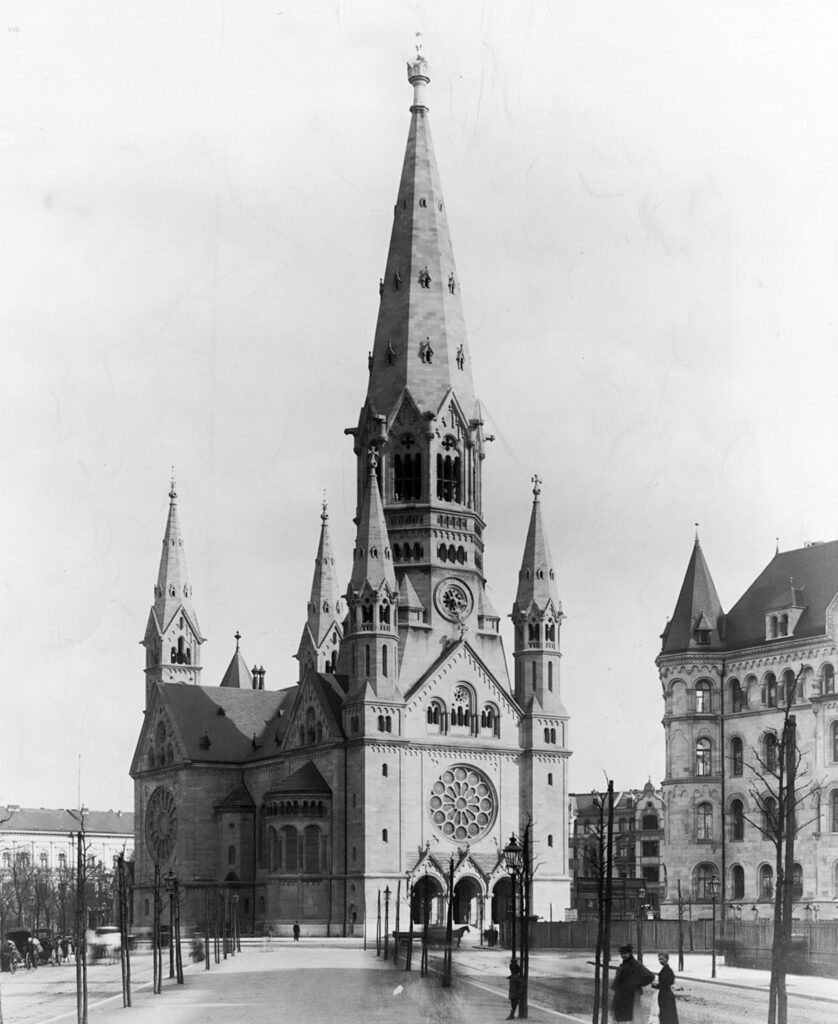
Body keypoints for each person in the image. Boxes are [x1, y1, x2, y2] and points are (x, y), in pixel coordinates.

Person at [611, 943, 654, 1021]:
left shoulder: (635, 964)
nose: (623, 955)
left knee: (633, 1017)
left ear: (630, 953)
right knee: (623, 1017)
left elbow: (650, 976)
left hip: (631, 995)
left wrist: (636, 984)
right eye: (622, 953)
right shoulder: (624, 964)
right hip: (622, 996)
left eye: (625, 953)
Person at [652, 953, 679, 1024]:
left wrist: (656, 985)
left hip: (665, 995)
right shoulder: (666, 969)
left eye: (662, 959)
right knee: (667, 1014)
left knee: (666, 1014)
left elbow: (666, 983)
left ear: (667, 959)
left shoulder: (667, 970)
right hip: (666, 994)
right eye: (659, 959)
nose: (660, 961)